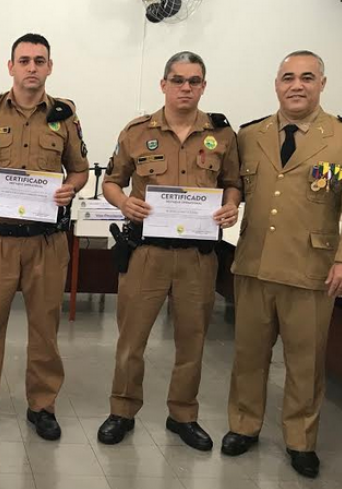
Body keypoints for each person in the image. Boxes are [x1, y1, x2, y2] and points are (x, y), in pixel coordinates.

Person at [221, 51, 342, 478]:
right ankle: (244, 425)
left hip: (311, 270)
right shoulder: (250, 136)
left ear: (322, 83)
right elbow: (236, 190)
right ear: (276, 84)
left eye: (307, 77)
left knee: (305, 362)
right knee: (248, 355)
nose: (297, 85)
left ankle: (300, 439)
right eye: (288, 77)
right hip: (252, 264)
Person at [96, 52, 242, 451]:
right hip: (147, 252)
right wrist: (124, 203)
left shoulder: (222, 135)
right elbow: (112, 181)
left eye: (194, 81)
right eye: (178, 80)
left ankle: (183, 415)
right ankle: (122, 410)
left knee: (192, 340)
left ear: (203, 86)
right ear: (163, 84)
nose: (186, 88)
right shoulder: (137, 132)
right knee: (131, 339)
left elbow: (233, 182)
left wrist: (231, 205)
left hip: (198, 255)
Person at [0, 33, 89, 440]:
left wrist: (72, 188)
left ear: (50, 66)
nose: (32, 67)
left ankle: (42, 404)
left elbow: (79, 169)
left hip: (47, 242)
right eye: (24, 60)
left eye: (39, 60)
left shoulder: (65, 116)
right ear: (10, 66)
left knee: (45, 327)